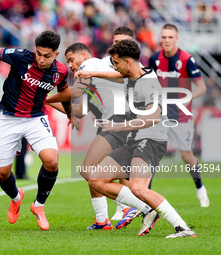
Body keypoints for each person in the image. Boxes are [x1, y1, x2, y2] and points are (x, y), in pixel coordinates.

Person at [0, 31, 71, 231]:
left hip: (36, 118)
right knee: (2, 174)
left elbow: (64, 93)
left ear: (56, 54)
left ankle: (39, 206)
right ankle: (16, 197)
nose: (41, 59)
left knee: (52, 161)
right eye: (39, 54)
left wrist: (70, 114)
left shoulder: (60, 71)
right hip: (8, 118)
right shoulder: (20, 56)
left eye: (47, 56)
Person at [86, 39, 197, 238]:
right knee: (96, 178)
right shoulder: (133, 73)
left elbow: (153, 117)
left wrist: (120, 126)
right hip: (134, 139)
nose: (115, 67)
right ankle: (148, 210)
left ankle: (183, 228)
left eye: (116, 62)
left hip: (151, 140)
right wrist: (91, 73)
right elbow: (114, 75)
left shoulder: (149, 84)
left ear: (128, 62)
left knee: (138, 187)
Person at [64, 41, 134, 230]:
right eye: (67, 63)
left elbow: (75, 92)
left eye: (71, 60)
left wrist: (45, 97)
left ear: (84, 56)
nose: (70, 66)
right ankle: (102, 219)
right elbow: (79, 111)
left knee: (92, 172)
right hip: (109, 125)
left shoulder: (90, 66)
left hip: (118, 123)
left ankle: (131, 206)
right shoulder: (93, 78)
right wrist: (51, 104)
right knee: (93, 172)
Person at [149, 23, 209, 207]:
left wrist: (185, 98)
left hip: (181, 117)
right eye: (164, 37)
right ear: (160, 38)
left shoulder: (186, 59)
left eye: (170, 37)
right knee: (151, 155)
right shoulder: (154, 59)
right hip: (160, 115)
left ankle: (200, 187)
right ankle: (146, 199)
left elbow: (202, 87)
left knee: (186, 156)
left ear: (176, 39)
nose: (166, 40)